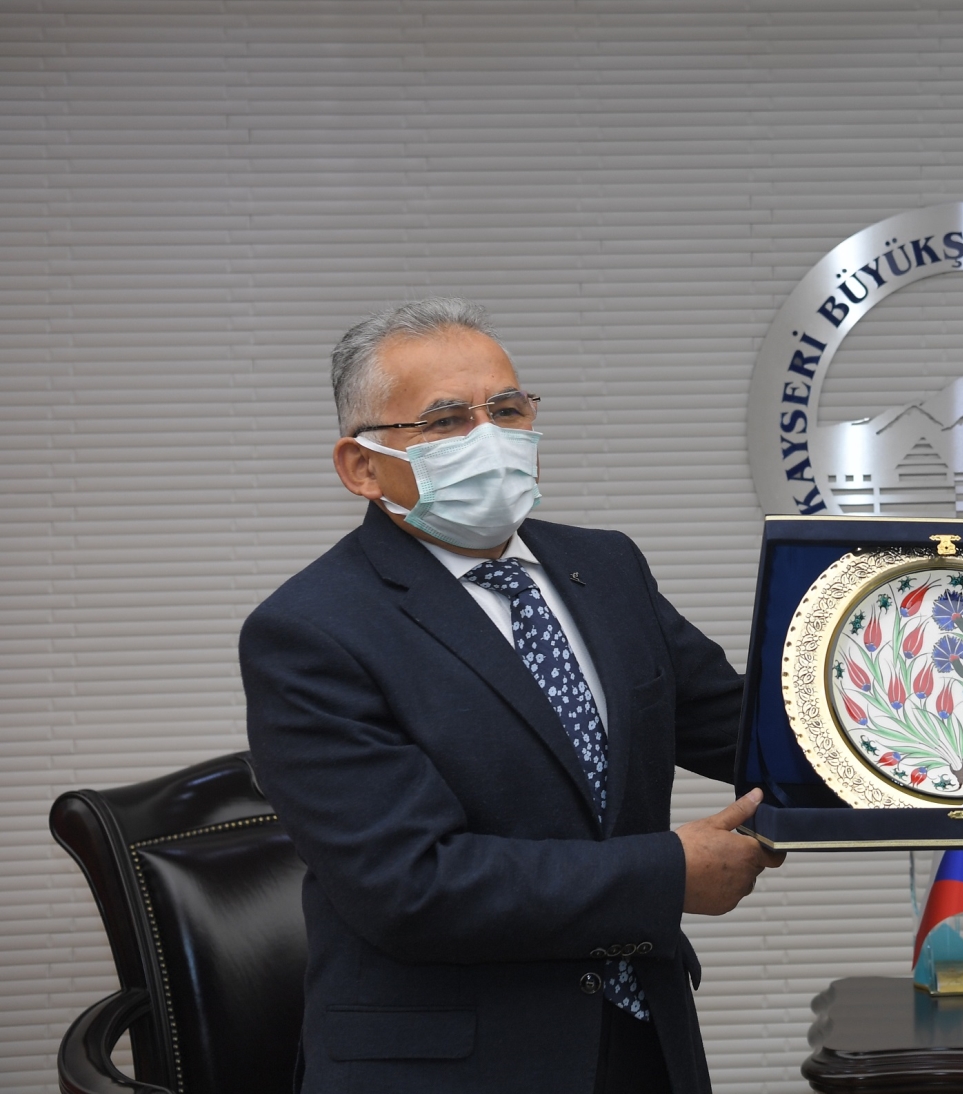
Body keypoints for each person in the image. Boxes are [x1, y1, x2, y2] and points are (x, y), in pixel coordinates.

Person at [240, 297, 779, 1094]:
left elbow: (751, 732)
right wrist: (669, 873)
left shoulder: (607, 568)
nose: (489, 437)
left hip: (640, 1038)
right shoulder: (311, 631)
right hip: (453, 1066)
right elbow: (412, 884)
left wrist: (938, 753)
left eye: (507, 409)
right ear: (361, 467)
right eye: (446, 420)